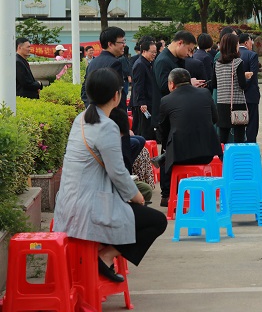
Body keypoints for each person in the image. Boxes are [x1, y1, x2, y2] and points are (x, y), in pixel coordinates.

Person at [54, 67, 167, 283]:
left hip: (68, 207)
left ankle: (98, 258)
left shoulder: (80, 119)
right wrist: (136, 196)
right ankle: (104, 257)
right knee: (156, 221)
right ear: (117, 95)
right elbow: (118, 173)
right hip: (89, 210)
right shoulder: (106, 126)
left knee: (136, 214)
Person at [157, 68, 222, 207]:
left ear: (171, 84)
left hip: (180, 156)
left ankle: (167, 195)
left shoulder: (166, 100)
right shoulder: (205, 93)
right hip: (207, 153)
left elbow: (163, 129)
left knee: (166, 154)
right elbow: (215, 119)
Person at [213, 33, 252, 144]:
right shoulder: (238, 62)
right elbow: (242, 85)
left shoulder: (217, 63)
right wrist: (247, 78)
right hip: (237, 104)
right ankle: (237, 155)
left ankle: (222, 154)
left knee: (223, 137)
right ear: (234, 46)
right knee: (239, 137)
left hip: (221, 104)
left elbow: (214, 84)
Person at [81, 26, 127, 110]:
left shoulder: (93, 62)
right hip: (111, 114)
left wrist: (92, 108)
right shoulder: (115, 63)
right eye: (122, 42)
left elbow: (84, 90)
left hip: (95, 113)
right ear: (110, 44)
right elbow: (117, 92)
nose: (124, 45)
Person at [154, 30, 201, 97]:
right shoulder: (163, 61)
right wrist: (188, 84)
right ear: (180, 43)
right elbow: (164, 88)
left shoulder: (177, 58)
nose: (189, 54)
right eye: (189, 50)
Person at [131, 39, 160, 140]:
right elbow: (138, 86)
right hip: (143, 104)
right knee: (143, 129)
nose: (154, 54)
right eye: (152, 52)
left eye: (155, 52)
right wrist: (142, 102)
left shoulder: (150, 63)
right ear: (144, 51)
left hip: (149, 100)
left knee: (149, 128)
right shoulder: (140, 64)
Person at [238, 33, 260, 143]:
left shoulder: (234, 54)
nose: (252, 43)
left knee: (239, 122)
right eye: (251, 41)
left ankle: (239, 143)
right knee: (252, 122)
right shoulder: (252, 55)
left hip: (237, 95)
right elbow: (252, 75)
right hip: (250, 94)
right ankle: (250, 144)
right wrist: (244, 86)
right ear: (246, 42)